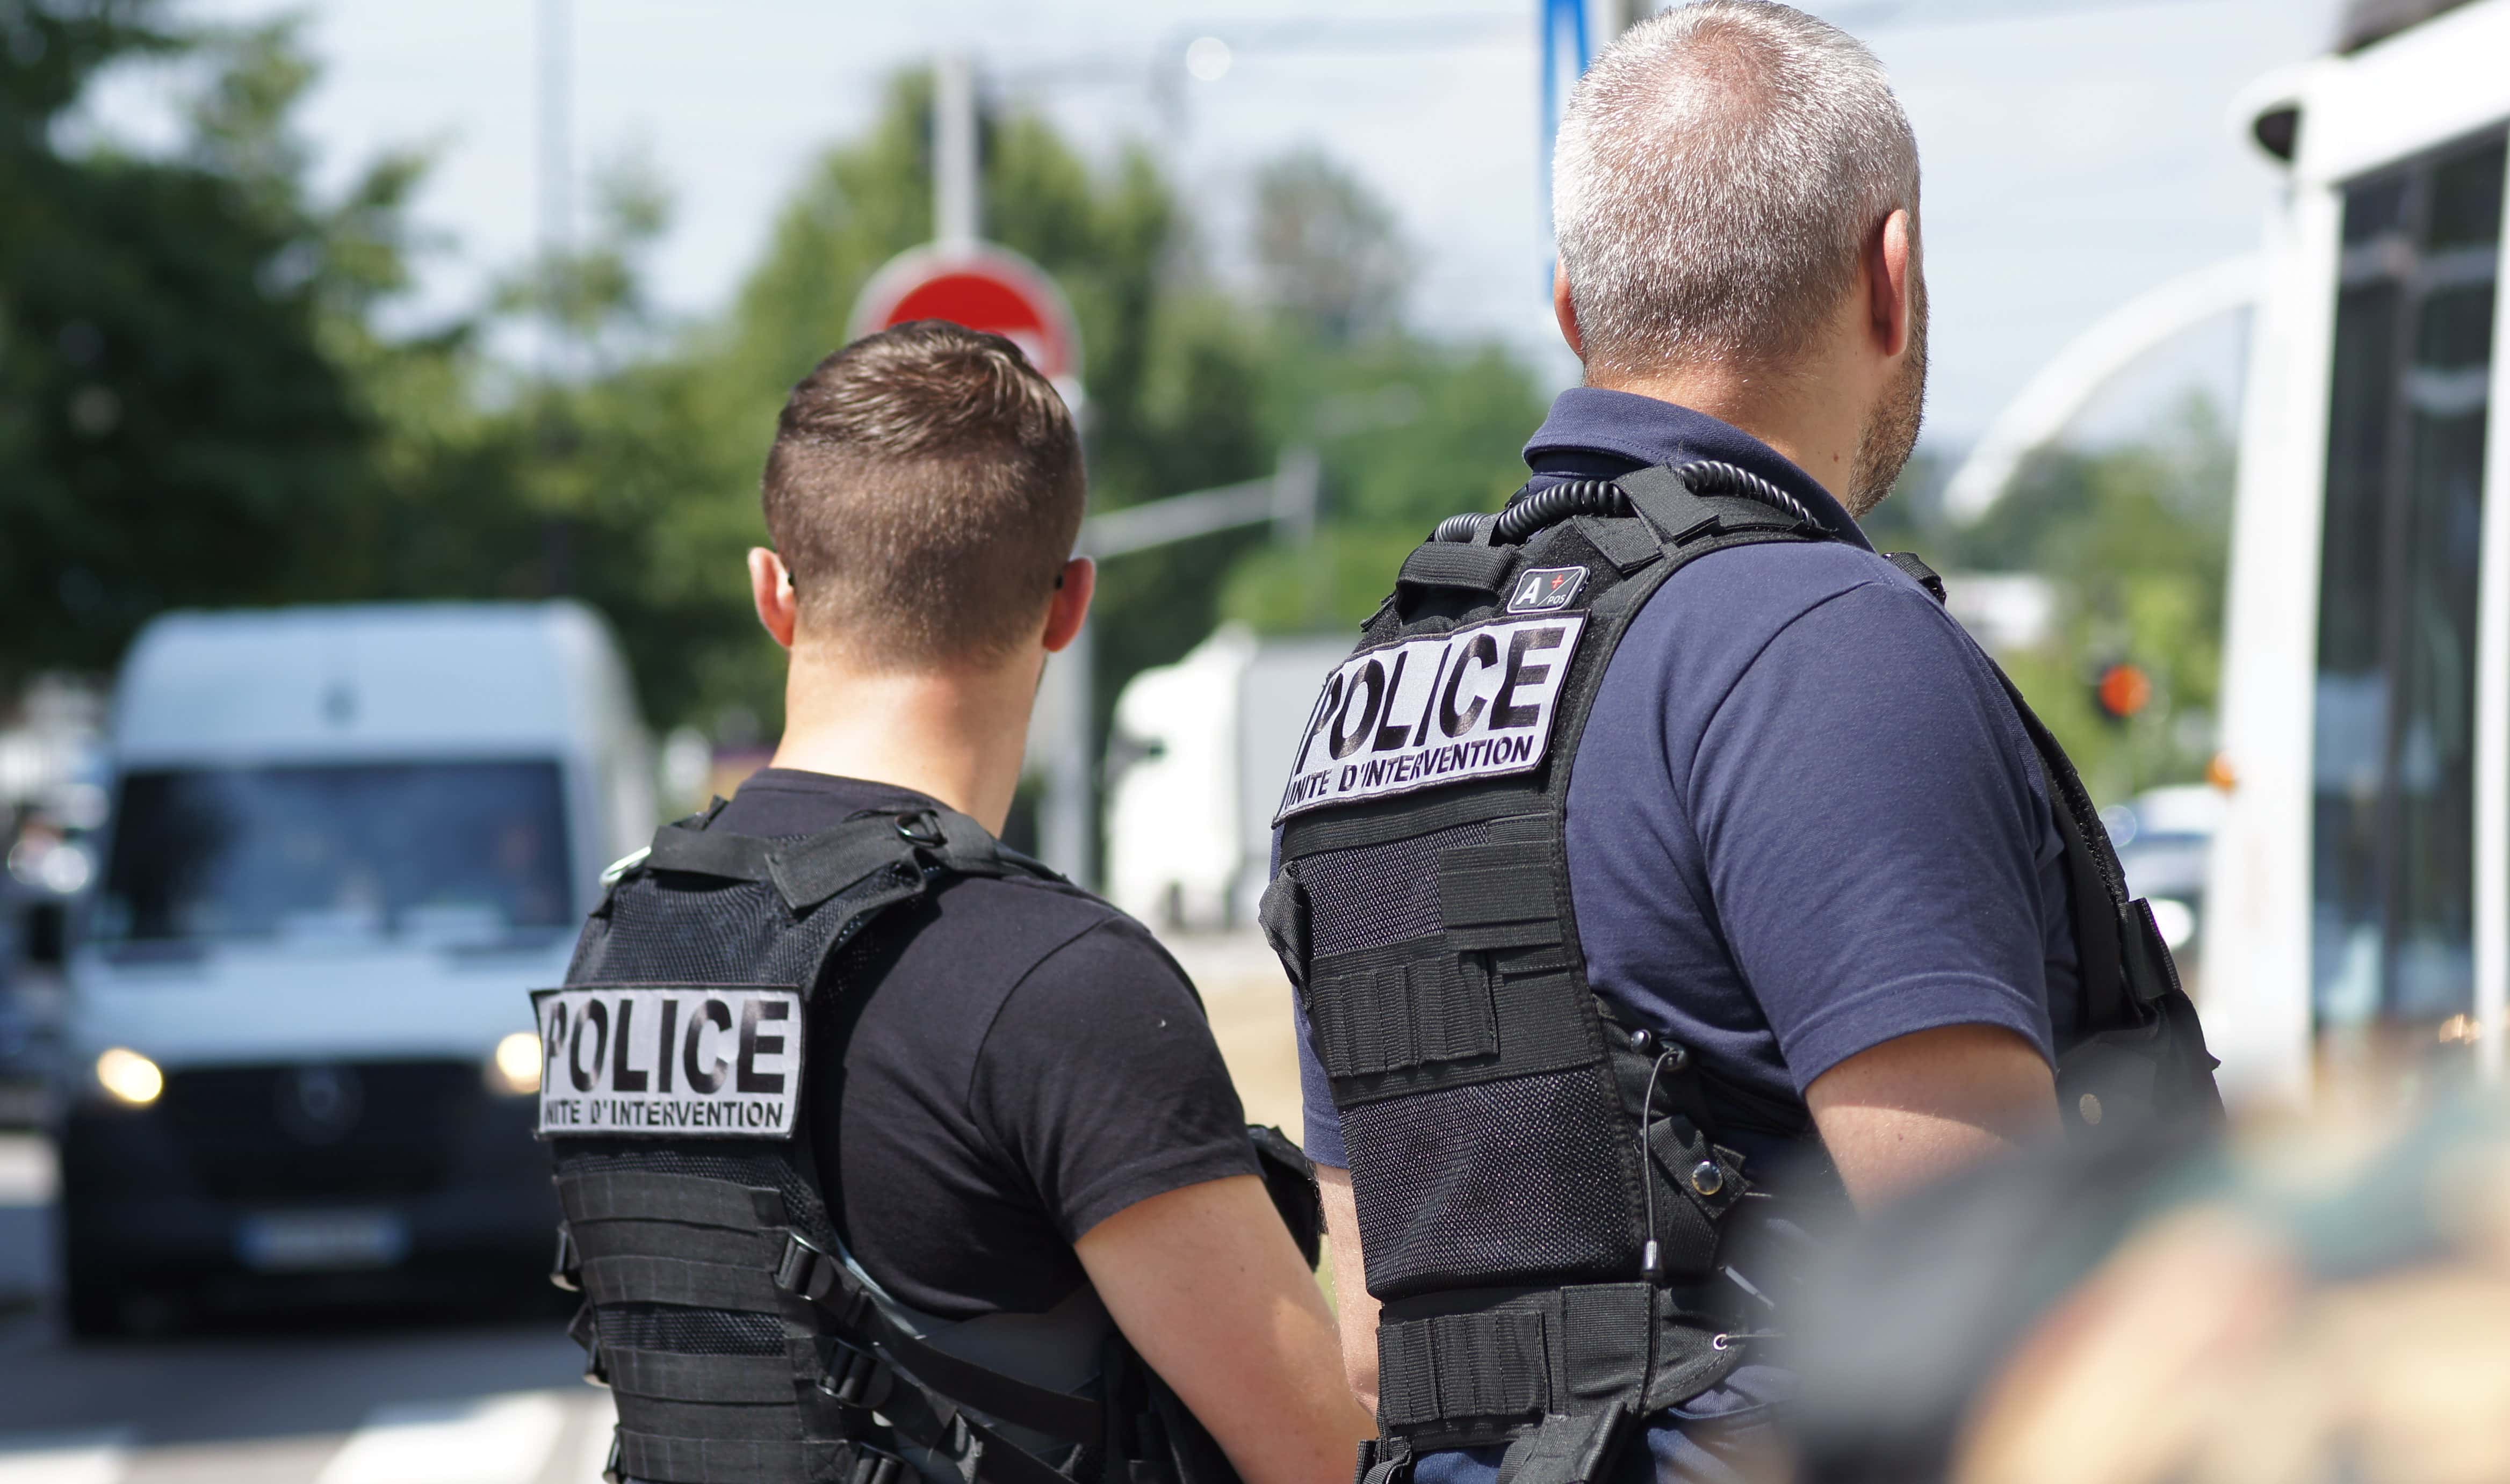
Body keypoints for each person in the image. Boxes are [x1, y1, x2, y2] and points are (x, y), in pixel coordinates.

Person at [1258, 7, 2217, 1484]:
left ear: (1572, 306)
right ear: (1889, 273)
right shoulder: (1822, 646)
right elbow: (2016, 1320)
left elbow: (1383, 1339)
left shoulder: (1377, 692)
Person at [540, 322, 1374, 1484]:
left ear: (772, 592)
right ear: (1068, 602)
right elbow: (1326, 1456)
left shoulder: (623, 943)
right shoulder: (1058, 981)